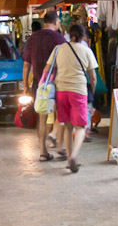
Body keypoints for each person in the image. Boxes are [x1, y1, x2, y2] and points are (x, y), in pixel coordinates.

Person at [43, 23, 97, 173]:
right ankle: (73, 156)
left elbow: (47, 69)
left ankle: (69, 161)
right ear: (83, 37)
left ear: (68, 35)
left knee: (67, 126)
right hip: (78, 91)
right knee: (80, 127)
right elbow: (93, 77)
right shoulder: (86, 51)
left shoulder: (58, 49)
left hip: (61, 91)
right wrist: (91, 91)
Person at [22, 11, 66, 161]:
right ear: (55, 21)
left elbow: (26, 65)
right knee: (61, 114)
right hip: (57, 82)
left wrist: (25, 87)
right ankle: (59, 146)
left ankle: (43, 152)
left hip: (39, 84)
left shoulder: (32, 38)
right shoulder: (59, 39)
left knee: (42, 117)